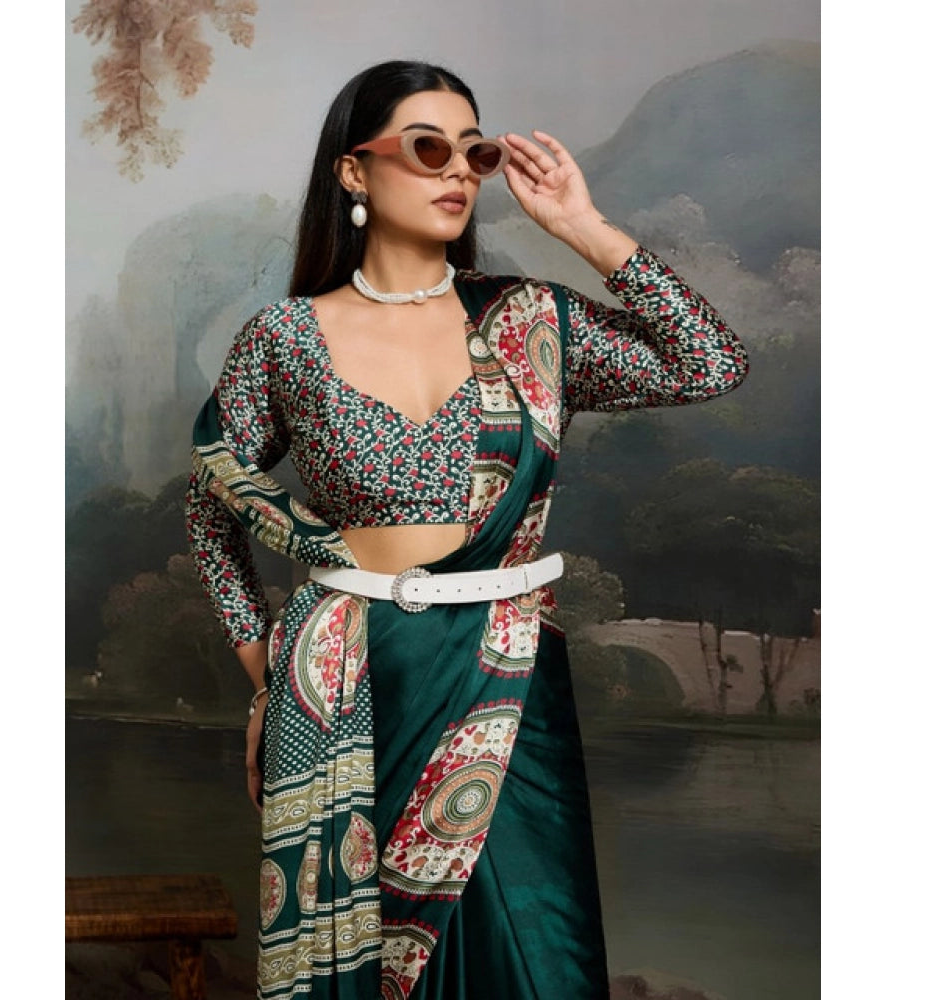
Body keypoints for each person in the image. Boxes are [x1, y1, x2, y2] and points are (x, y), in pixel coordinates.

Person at [185, 59, 748, 1000]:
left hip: (509, 670)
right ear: (354, 170)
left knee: (537, 957)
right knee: (362, 961)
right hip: (348, 681)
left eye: (474, 152)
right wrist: (270, 683)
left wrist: (581, 226)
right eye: (426, 147)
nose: (457, 169)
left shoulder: (534, 322)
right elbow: (212, 508)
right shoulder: (285, 339)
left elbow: (709, 362)